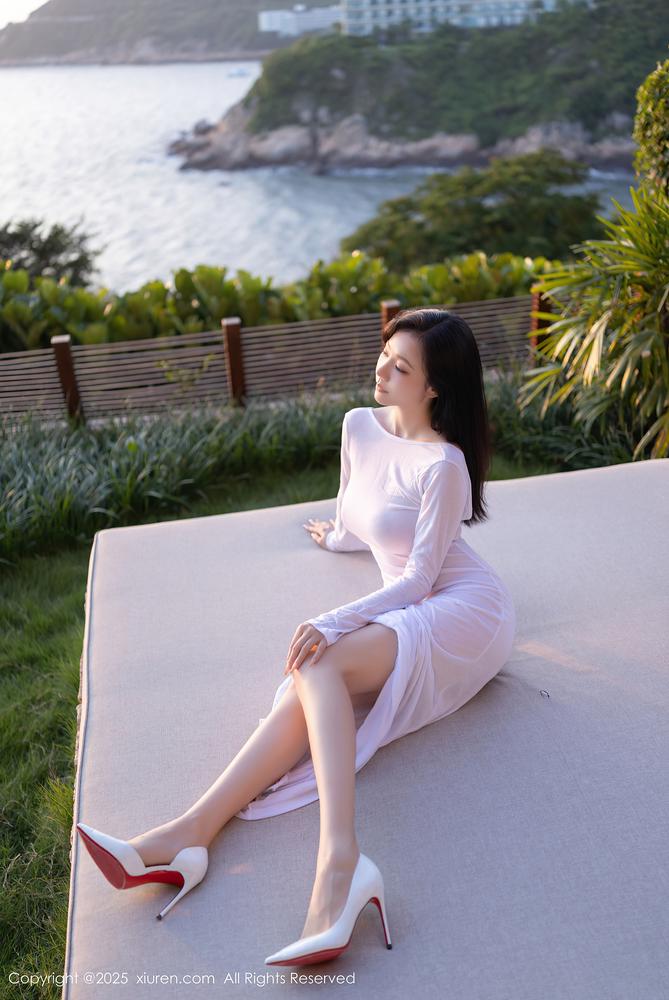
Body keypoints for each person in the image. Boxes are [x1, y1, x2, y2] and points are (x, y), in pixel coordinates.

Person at [75, 307, 516, 967]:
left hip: (464, 612)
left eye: (401, 367)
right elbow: (352, 513)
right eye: (384, 354)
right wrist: (336, 538)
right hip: (411, 604)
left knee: (318, 660)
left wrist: (335, 618)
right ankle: (191, 834)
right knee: (311, 681)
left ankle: (336, 860)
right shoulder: (359, 425)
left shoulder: (443, 465)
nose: (381, 370)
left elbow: (421, 579)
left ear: (433, 388)